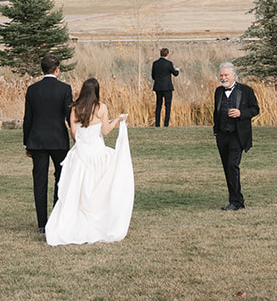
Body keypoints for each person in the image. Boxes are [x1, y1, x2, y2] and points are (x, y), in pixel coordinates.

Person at [45, 77, 133, 245]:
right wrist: (118, 120)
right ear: (97, 91)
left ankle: (72, 223)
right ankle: (101, 220)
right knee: (101, 187)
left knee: (76, 190)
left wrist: (81, 142)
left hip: (80, 154)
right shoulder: (101, 108)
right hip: (97, 153)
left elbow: (73, 132)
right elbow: (106, 131)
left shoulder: (75, 108)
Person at [23, 54, 74, 232]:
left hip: (37, 141)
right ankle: (56, 218)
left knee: (40, 181)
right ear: (57, 70)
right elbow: (70, 117)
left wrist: (26, 143)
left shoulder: (32, 90)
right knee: (61, 179)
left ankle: (42, 223)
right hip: (59, 140)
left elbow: (27, 119)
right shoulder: (65, 89)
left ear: (43, 70)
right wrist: (78, 135)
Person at [212, 62, 259, 210]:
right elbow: (216, 112)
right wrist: (216, 131)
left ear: (233, 76)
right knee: (227, 167)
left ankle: (236, 201)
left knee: (233, 165)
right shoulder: (218, 91)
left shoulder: (245, 91)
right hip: (222, 135)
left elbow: (255, 109)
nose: (223, 78)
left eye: (226, 75)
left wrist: (241, 113)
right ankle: (235, 200)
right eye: (221, 75)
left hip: (238, 135)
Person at [150, 48, 180, 127]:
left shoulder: (155, 63)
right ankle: (166, 124)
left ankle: (157, 124)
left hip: (158, 87)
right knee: (168, 106)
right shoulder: (169, 63)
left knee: (158, 105)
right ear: (167, 54)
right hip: (167, 87)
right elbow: (175, 74)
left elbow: (153, 76)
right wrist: (177, 70)